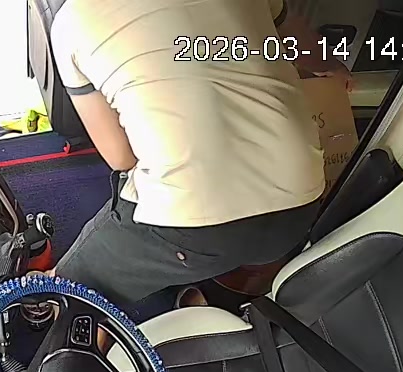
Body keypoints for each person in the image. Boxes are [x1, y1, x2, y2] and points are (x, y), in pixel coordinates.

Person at [48, 0, 352, 310]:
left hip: (196, 230)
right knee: (234, 241)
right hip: (300, 207)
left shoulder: (71, 22)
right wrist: (331, 67)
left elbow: (122, 158)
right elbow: (304, 45)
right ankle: (222, 292)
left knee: (68, 289)